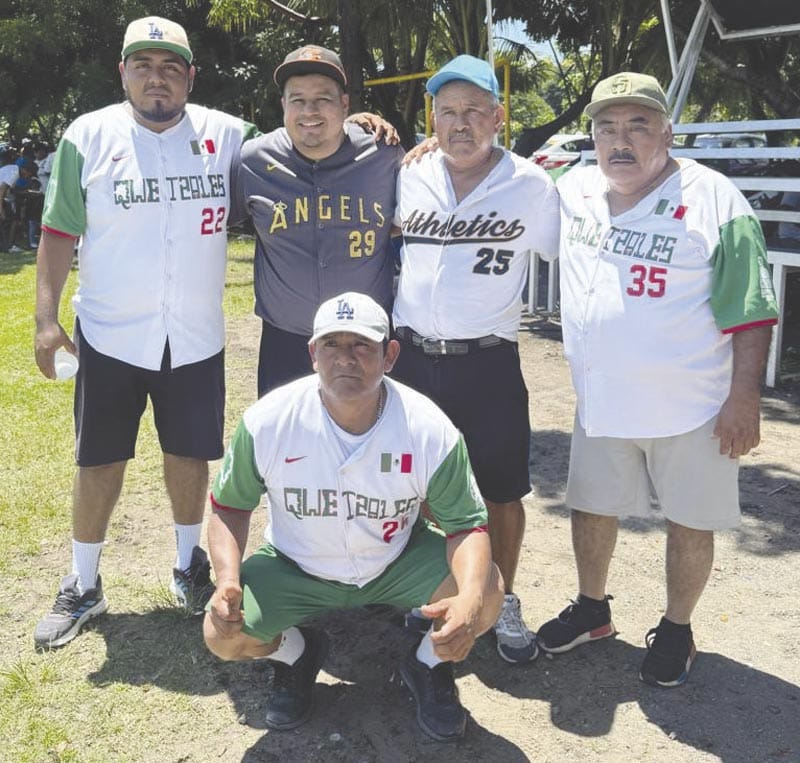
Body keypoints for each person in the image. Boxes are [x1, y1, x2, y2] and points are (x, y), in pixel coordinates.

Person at [536, 72, 779, 687]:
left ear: (668, 132)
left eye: (638, 126)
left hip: (692, 405)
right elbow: (501, 183)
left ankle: (676, 628)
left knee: (689, 520)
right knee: (591, 507)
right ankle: (592, 609)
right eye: (606, 128)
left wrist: (744, 397)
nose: (620, 141)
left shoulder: (715, 198)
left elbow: (751, 310)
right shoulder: (574, 187)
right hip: (602, 400)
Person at [32, 16, 261, 650]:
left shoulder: (229, 135)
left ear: (190, 76)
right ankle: (83, 582)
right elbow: (58, 232)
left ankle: (188, 565)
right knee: (99, 457)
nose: (156, 78)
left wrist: (363, 126)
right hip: (110, 333)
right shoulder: (88, 135)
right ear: (123, 73)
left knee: (190, 454)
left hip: (194, 334)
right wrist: (47, 320)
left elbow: (303, 145)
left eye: (170, 67)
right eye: (143, 66)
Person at [203, 291, 503, 741]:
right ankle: (296, 654)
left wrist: (470, 599)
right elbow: (229, 507)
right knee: (221, 634)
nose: (345, 357)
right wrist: (227, 578)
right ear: (312, 354)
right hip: (295, 565)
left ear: (390, 355)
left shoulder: (428, 429)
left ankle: (426, 662)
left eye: (362, 344)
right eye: (332, 344)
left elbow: (466, 525)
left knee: (488, 592)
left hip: (396, 560)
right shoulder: (268, 422)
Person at [390, 55, 560, 664]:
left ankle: (501, 597)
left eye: (473, 111)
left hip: (488, 360)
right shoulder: (409, 173)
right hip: (412, 358)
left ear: (498, 116)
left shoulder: (532, 186)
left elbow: (572, 255)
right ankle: (433, 594)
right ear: (432, 119)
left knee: (501, 491)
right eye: (447, 112)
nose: (460, 123)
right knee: (417, 487)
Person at [234, 45, 404, 397]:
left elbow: (410, 219)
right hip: (285, 338)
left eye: (323, 99)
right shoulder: (252, 161)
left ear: (345, 104)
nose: (309, 111)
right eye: (297, 100)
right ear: (283, 105)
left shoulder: (384, 154)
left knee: (370, 428)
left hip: (366, 338)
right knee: (283, 431)